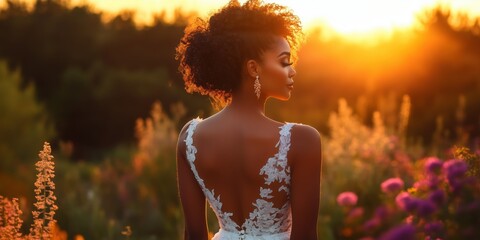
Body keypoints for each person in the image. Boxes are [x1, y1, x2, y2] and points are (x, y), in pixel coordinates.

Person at [175, 0, 321, 239]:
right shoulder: (303, 140)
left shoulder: (189, 138)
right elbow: (305, 236)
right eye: (284, 62)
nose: (292, 71)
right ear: (253, 68)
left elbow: (193, 234)